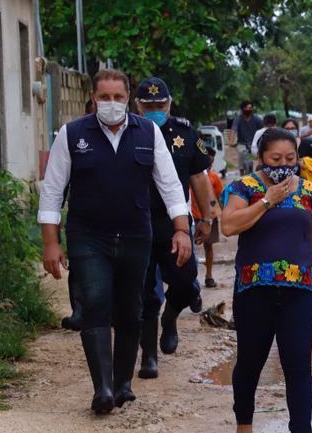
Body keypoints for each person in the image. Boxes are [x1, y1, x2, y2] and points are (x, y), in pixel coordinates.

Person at [39, 69, 191, 414]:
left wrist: (182, 230)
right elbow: (52, 192)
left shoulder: (148, 132)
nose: (111, 103)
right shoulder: (72, 134)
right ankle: (102, 389)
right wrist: (51, 242)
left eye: (118, 97)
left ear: (128, 99)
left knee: (130, 310)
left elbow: (169, 185)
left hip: (136, 236)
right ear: (93, 99)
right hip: (88, 237)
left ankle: (122, 383)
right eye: (104, 97)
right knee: (94, 303)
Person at [221, 127, 312, 433]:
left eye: (291, 159)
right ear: (261, 158)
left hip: (299, 293)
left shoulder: (309, 191)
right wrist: (267, 200)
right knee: (250, 361)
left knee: (299, 366)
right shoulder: (244, 188)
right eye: (276, 159)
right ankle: (244, 424)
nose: (284, 165)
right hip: (253, 291)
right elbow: (229, 226)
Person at [134, 77, 215, 380]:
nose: (154, 110)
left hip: (174, 223)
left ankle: (170, 318)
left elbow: (199, 177)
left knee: (184, 281)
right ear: (137, 106)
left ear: (169, 104)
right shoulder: (128, 133)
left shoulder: (184, 133)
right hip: (138, 222)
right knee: (145, 293)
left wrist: (206, 218)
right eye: (148, 105)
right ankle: (149, 357)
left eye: (160, 105)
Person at [193, 147, 225, 288]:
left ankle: (209, 275)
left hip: (210, 217)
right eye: (208, 159)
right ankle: (191, 278)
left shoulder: (214, 178)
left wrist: (226, 214)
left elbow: (220, 197)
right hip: (193, 216)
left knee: (209, 247)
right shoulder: (193, 176)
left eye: (212, 159)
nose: (210, 162)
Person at [231, 100, 263, 174]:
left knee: (258, 159)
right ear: (242, 109)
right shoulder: (238, 119)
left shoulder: (257, 119)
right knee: (242, 156)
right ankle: (241, 174)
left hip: (254, 144)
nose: (248, 109)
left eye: (250, 107)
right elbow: (234, 129)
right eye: (246, 108)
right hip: (241, 144)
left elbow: (263, 130)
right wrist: (231, 141)